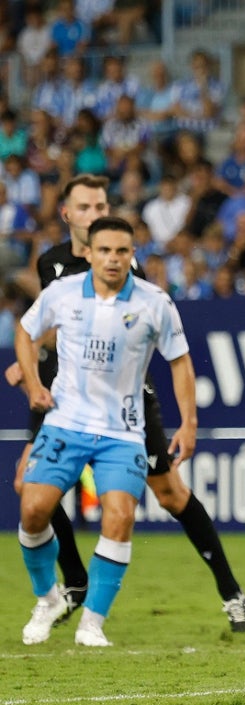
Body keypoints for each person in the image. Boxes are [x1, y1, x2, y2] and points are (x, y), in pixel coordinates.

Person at [5, 175, 245, 633]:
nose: (94, 213)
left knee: (170, 493)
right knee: (30, 486)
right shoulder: (52, 265)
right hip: (64, 395)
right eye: (84, 207)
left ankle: (231, 591)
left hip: (128, 401)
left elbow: (131, 328)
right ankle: (74, 582)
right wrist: (30, 359)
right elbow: (51, 323)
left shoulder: (127, 267)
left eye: (100, 204)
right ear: (67, 215)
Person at [14, 216, 195, 647]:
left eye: (122, 251)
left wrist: (189, 423)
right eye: (105, 251)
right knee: (33, 509)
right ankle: (48, 598)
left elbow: (181, 361)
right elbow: (25, 332)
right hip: (66, 421)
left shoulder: (155, 302)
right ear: (89, 254)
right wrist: (34, 382)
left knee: (120, 516)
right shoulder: (61, 292)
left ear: (132, 255)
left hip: (123, 430)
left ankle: (92, 622)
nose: (113, 259)